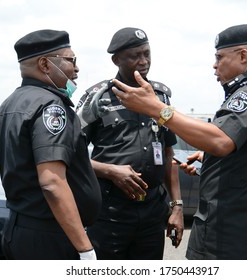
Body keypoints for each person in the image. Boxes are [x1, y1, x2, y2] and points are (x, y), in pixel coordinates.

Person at [111, 24, 247, 259]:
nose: (215, 64)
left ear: (243, 55)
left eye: (220, 57)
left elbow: (220, 140)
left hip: (236, 233)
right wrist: (208, 158)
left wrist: (158, 109)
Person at [76, 27, 184, 260]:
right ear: (116, 60)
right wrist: (110, 171)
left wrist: (177, 206)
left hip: (152, 213)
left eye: (147, 53)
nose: (143, 61)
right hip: (109, 213)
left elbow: (167, 153)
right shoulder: (98, 97)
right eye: (135, 56)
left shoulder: (161, 97)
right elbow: (70, 153)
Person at [0, 29, 101, 260]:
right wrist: (85, 249)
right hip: (50, 237)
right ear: (45, 64)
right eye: (71, 60)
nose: (77, 68)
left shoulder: (11, 103)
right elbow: (52, 182)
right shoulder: (51, 106)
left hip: (21, 227)